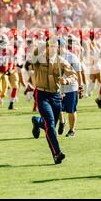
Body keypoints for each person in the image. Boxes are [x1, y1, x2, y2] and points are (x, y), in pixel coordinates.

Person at [30, 36, 77, 164]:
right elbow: (33, 54)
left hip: (55, 95)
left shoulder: (61, 61)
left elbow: (74, 75)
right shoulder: (39, 59)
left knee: (50, 125)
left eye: (55, 46)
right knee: (50, 125)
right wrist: (44, 43)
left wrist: (66, 80)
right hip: (41, 94)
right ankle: (57, 153)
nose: (53, 48)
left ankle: (37, 121)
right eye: (50, 46)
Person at [59, 38, 83, 137]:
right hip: (58, 87)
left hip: (71, 87)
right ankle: (62, 121)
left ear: (62, 46)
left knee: (71, 110)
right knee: (57, 108)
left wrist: (81, 87)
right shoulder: (53, 57)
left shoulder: (72, 57)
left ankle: (72, 130)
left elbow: (78, 73)